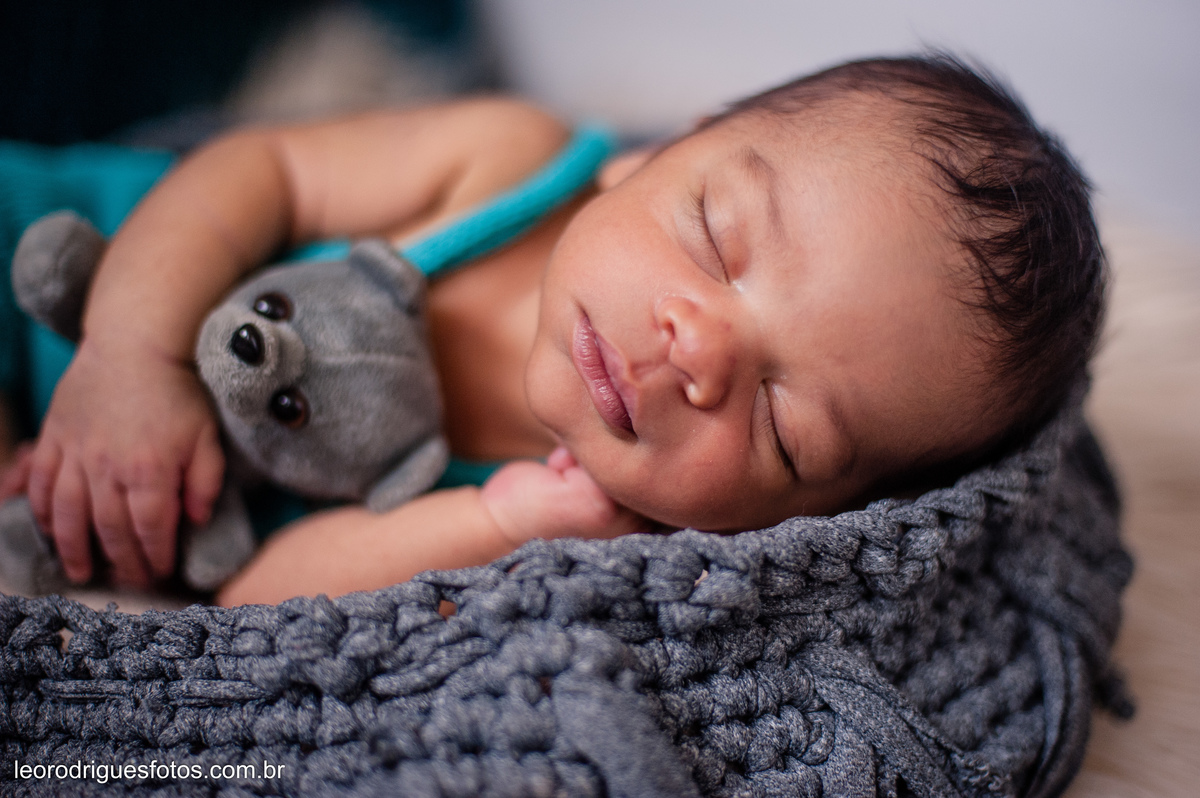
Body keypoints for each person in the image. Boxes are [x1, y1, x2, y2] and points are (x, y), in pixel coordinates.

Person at [0, 54, 1106, 606]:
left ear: (800, 519)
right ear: (655, 155)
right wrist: (130, 354)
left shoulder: (584, 523)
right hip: (52, 255)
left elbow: (255, 602)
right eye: (717, 238)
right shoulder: (514, 165)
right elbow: (262, 169)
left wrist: (493, 522)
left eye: (785, 426)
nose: (701, 352)